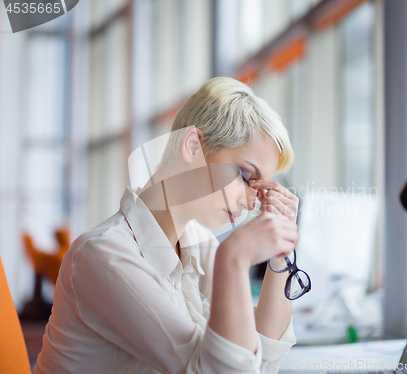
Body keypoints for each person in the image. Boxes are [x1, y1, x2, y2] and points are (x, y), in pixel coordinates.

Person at [33, 77, 300, 374]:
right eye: (246, 176)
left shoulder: (201, 246)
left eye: (261, 187)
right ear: (193, 147)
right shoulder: (101, 255)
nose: (252, 203)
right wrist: (234, 260)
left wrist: (281, 255)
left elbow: (260, 363)